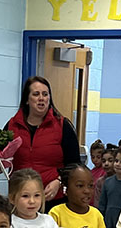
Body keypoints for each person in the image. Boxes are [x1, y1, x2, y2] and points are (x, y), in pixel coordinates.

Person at [5, 76, 81, 209]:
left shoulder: (63, 125)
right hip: (20, 197)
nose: (41, 98)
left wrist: (59, 181)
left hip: (52, 198)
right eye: (36, 94)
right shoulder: (12, 125)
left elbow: (74, 164)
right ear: (27, 100)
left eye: (45, 94)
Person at [88, 139, 106, 205]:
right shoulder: (91, 171)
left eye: (98, 157)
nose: (95, 160)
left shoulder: (105, 172)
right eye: (93, 157)